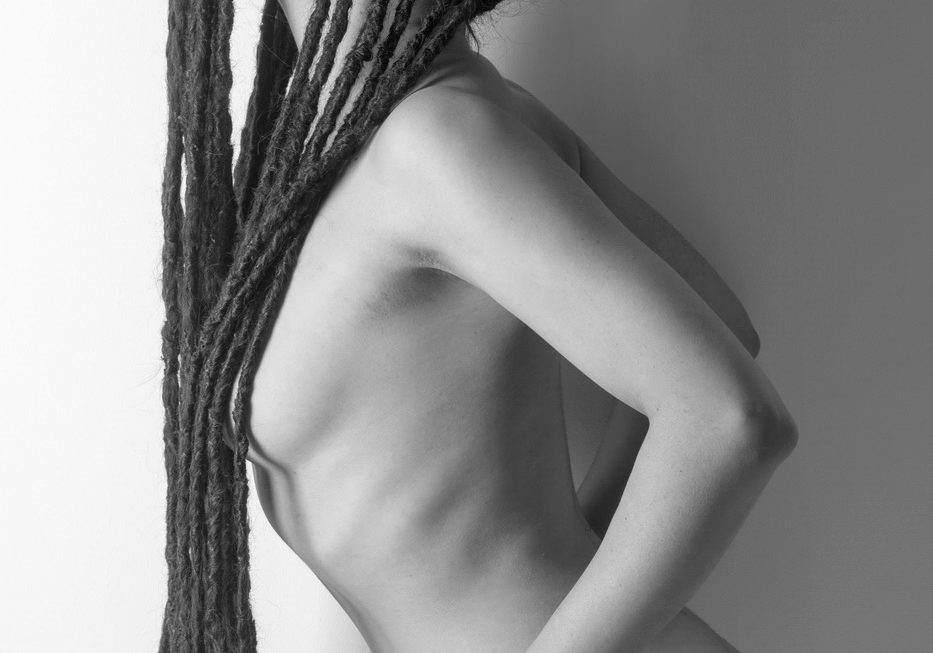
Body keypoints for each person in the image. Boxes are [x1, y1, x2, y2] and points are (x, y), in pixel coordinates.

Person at [157, 0, 798, 651]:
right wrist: (577, 553)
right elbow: (720, 321)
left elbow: (727, 418)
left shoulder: (435, 141)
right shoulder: (411, 130)